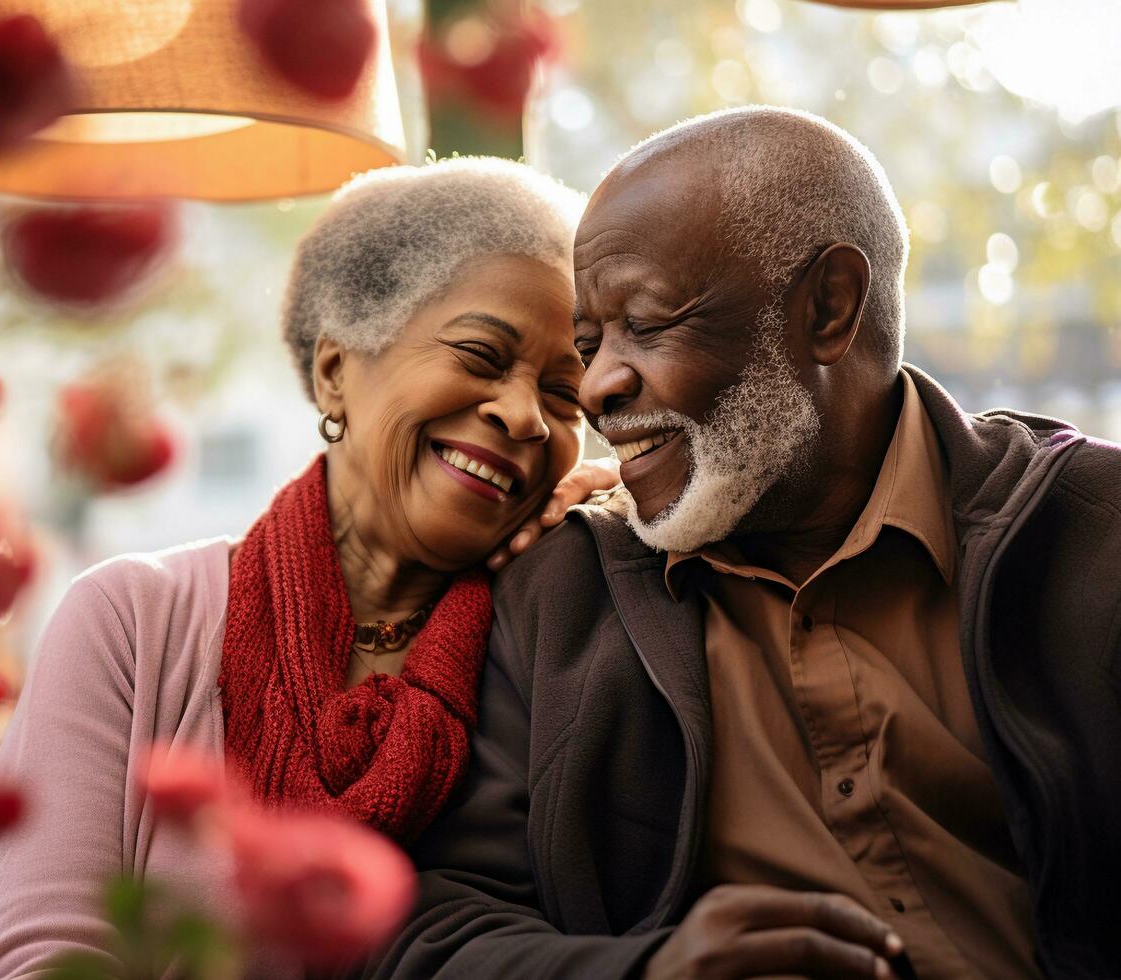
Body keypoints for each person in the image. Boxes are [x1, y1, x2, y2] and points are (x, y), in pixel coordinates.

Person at [371, 107, 1121, 980]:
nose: (598, 387)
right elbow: (431, 933)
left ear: (829, 308)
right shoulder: (560, 595)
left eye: (645, 324)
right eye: (589, 344)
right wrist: (648, 971)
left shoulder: (1093, 536)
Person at [0, 157, 616, 978]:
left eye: (564, 395)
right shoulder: (134, 623)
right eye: (482, 356)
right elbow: (32, 961)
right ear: (337, 371)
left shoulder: (548, 647)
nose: (522, 413)